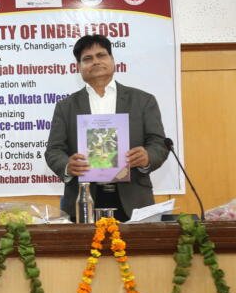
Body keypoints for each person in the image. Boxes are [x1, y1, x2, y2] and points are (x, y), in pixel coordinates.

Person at [45, 34, 169, 221]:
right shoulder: (66, 106)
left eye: (101, 55)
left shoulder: (143, 101)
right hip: (83, 200)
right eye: (87, 58)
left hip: (133, 200)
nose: (95, 61)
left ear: (112, 60)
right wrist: (68, 166)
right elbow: (54, 150)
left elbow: (159, 143)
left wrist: (147, 157)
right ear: (78, 67)